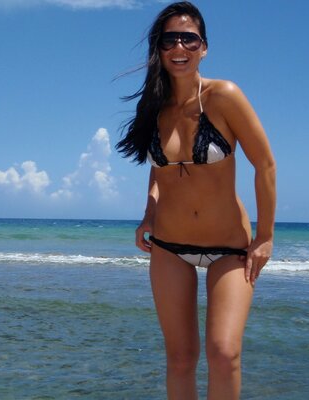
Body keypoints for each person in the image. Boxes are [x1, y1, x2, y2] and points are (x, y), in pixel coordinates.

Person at [116, 2, 276, 399]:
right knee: (181, 358)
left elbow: (266, 165)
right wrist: (148, 215)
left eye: (189, 38)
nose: (180, 47)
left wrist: (266, 236)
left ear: (203, 47)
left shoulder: (224, 96)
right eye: (170, 39)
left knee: (224, 353)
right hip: (169, 246)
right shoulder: (153, 106)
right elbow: (159, 168)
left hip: (229, 249)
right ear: (159, 48)